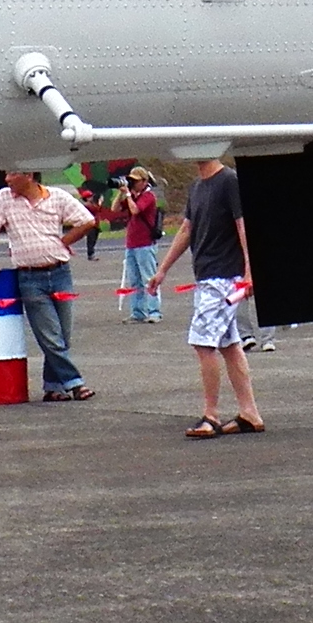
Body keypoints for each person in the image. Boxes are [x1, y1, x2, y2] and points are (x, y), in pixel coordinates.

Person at [148, 150, 265, 437]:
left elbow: (243, 226)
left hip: (223, 276)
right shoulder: (197, 186)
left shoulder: (229, 181)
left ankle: (211, 415)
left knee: (203, 344)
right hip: (207, 276)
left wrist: (250, 272)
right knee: (229, 345)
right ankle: (249, 413)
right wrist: (163, 269)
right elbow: (187, 229)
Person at [0, 166, 100, 400]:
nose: (7, 179)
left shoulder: (56, 197)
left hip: (60, 272)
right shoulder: (4, 198)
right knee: (50, 336)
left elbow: (87, 220)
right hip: (30, 277)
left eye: (13, 174)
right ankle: (75, 383)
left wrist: (64, 242)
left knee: (62, 335)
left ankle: (52, 387)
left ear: (29, 176)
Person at [116, 170, 169, 322]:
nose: (133, 183)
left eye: (136, 180)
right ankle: (138, 312)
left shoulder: (148, 196)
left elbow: (135, 210)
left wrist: (127, 194)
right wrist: (121, 193)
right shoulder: (132, 196)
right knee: (134, 281)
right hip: (131, 244)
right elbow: (115, 209)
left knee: (149, 279)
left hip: (145, 244)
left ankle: (154, 312)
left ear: (145, 181)